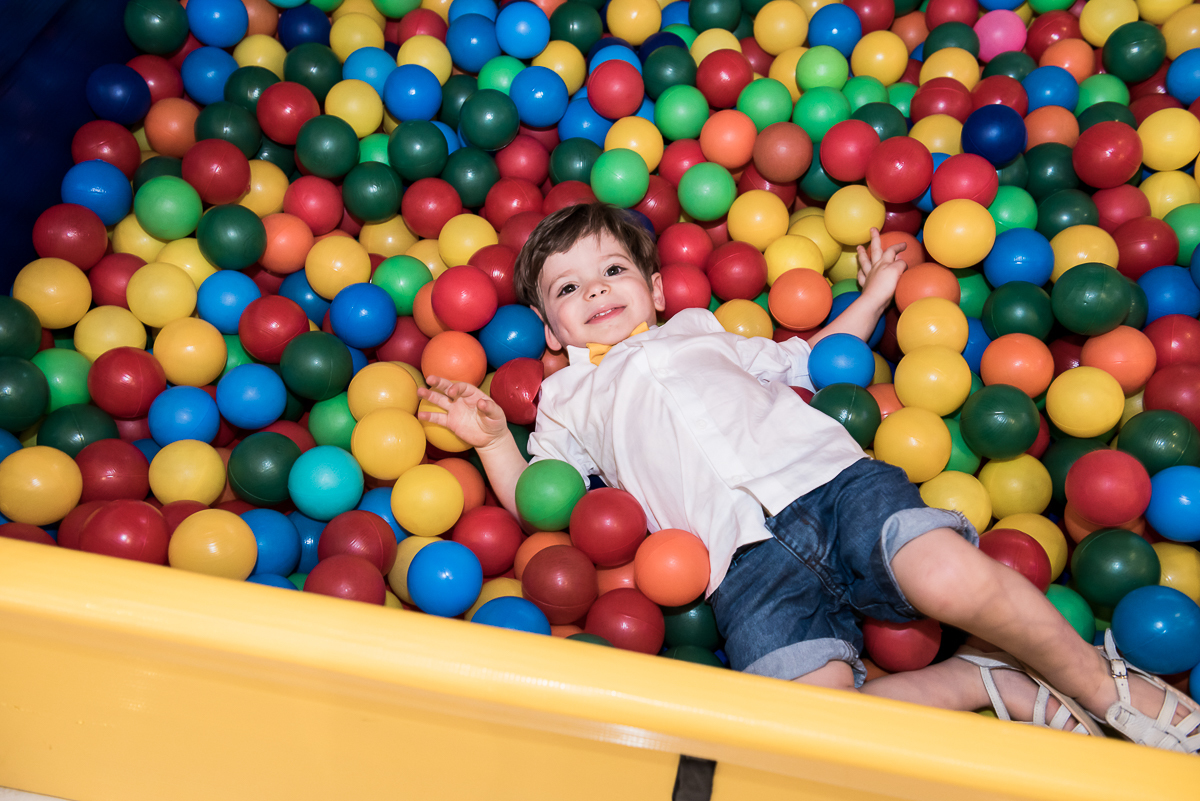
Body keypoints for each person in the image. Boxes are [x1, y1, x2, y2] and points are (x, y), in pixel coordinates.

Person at [417, 203, 1199, 753]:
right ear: (551, 330)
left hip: (829, 483)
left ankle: (1103, 685)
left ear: (655, 292)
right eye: (567, 287)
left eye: (613, 269)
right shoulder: (566, 396)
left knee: (949, 577)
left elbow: (811, 357)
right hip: (736, 562)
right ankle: (983, 680)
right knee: (807, 721)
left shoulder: (705, 331)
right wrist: (492, 442)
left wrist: (874, 300)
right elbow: (542, 494)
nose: (594, 289)